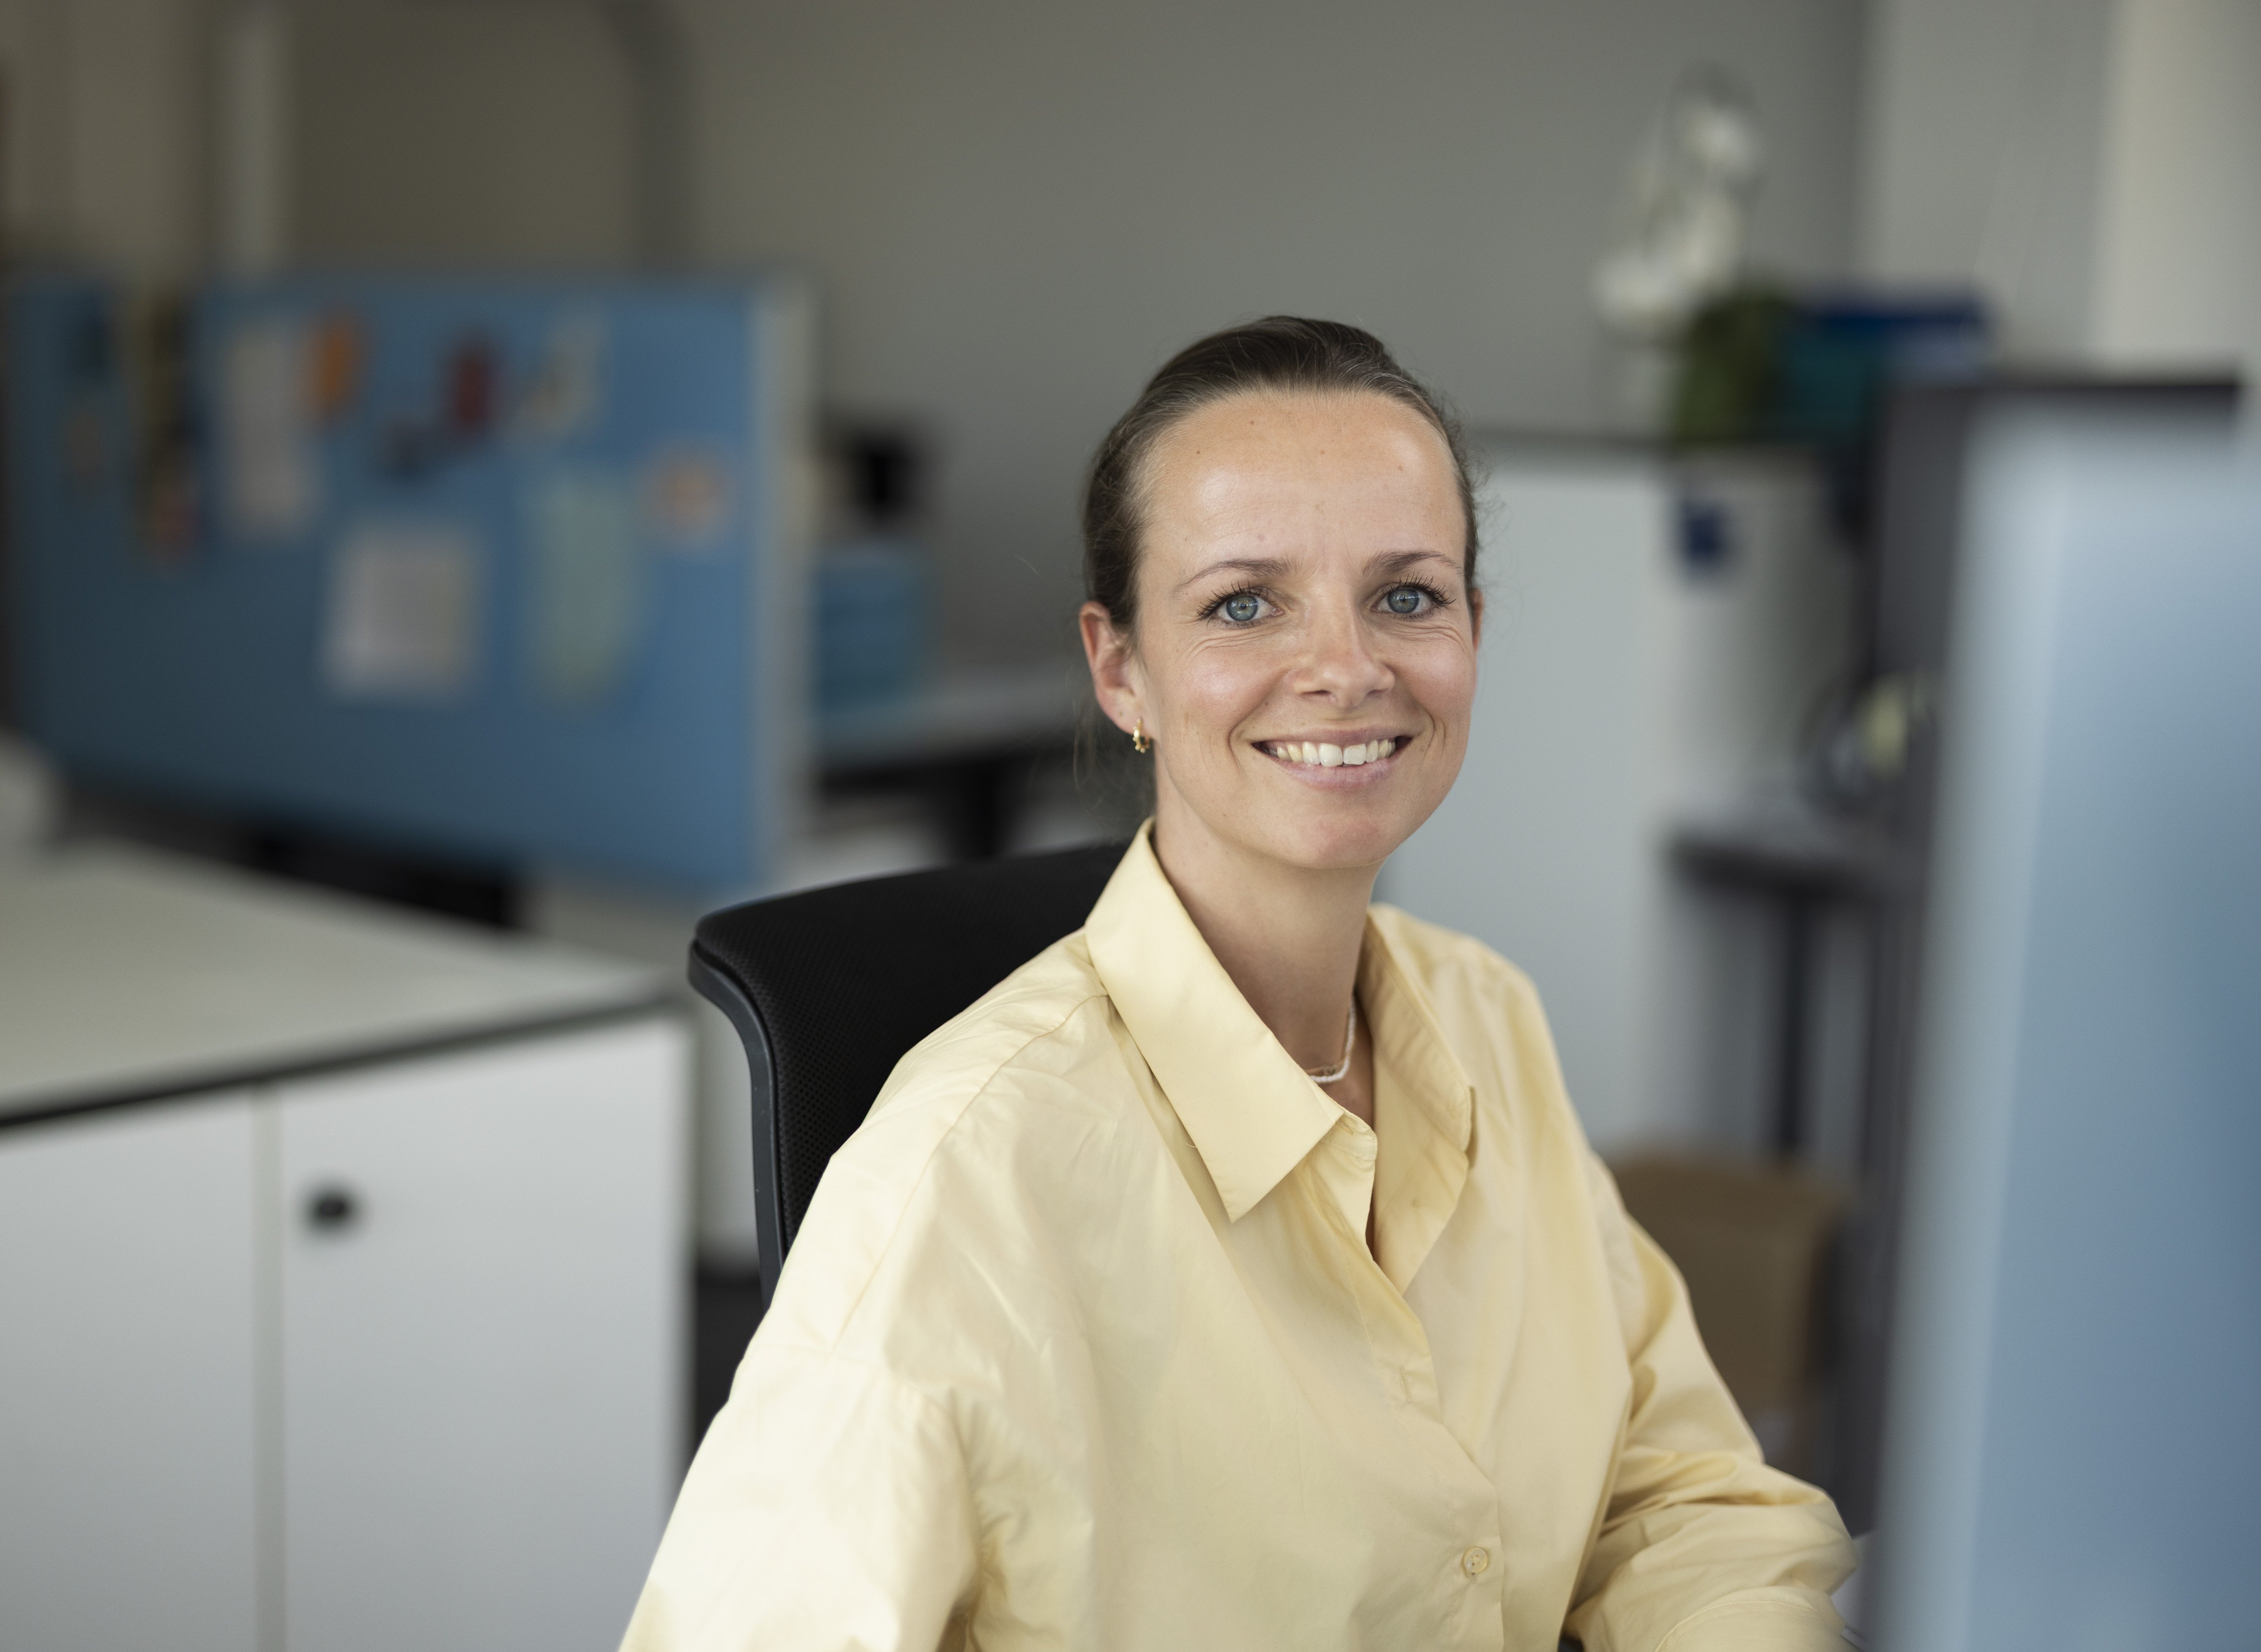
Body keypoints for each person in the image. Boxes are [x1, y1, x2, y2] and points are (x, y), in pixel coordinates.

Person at [624, 318, 1858, 1651]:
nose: (1344, 667)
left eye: (1405, 595)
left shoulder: (1484, 1018)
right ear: (1119, 669)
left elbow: (1672, 1496)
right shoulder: (965, 1177)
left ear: (1473, 633)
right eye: (1242, 603)